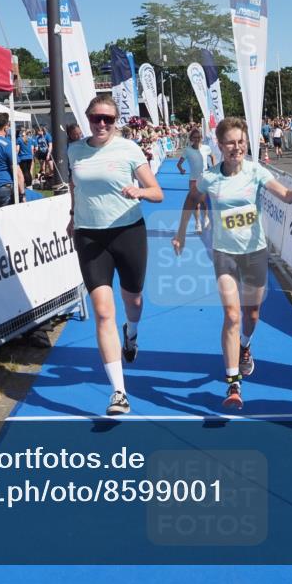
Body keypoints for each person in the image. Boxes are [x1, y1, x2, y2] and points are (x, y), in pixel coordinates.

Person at [172, 117, 292, 408]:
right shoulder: (210, 177)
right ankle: (233, 383)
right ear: (220, 146)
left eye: (241, 141)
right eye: (231, 142)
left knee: (252, 317)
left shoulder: (255, 170)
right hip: (224, 254)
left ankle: (245, 347)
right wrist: (181, 233)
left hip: (255, 253)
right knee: (232, 316)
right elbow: (191, 199)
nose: (237, 147)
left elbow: (286, 196)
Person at [67, 95, 164, 415]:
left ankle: (132, 334)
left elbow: (157, 192)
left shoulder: (129, 149)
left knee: (133, 301)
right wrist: (72, 215)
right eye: (97, 118)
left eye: (108, 118)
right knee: (103, 311)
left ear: (116, 120)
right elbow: (75, 185)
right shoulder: (74, 150)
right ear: (88, 117)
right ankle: (119, 392)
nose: (102, 124)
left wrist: (140, 191)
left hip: (128, 232)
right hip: (90, 236)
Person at [177, 128, 216, 233]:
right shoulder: (187, 150)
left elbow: (213, 156)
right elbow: (179, 164)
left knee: (204, 202)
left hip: (205, 179)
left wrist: (213, 168)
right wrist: (181, 169)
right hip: (193, 180)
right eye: (194, 137)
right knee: (196, 203)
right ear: (191, 139)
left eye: (198, 137)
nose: (197, 139)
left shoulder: (206, 148)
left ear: (201, 138)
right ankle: (198, 223)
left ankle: (206, 219)